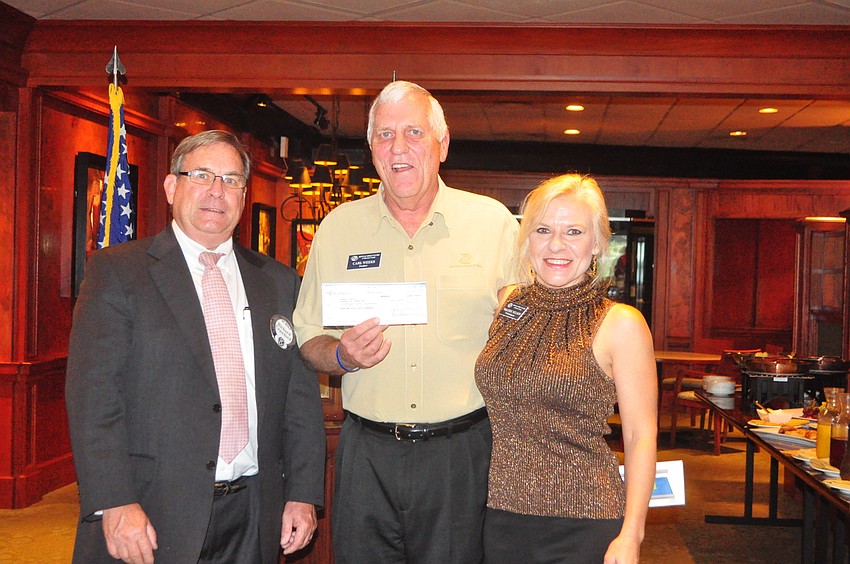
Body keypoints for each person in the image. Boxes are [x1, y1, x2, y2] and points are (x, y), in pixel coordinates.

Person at [66, 130, 326, 564]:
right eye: (202, 175)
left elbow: (298, 402)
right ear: (172, 187)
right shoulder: (120, 273)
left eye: (230, 180)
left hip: (253, 511)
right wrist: (114, 501)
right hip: (150, 511)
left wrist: (302, 494)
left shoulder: (278, 282)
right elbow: (93, 400)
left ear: (244, 194)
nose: (216, 191)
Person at [293, 80, 519, 563]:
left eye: (414, 132)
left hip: (461, 453)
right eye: (385, 134)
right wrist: (340, 355)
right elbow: (307, 336)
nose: (399, 148)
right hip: (365, 454)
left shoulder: (493, 224)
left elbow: (527, 330)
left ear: (443, 144)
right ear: (372, 147)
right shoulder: (338, 228)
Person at [475, 173, 657, 564]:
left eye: (573, 231)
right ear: (527, 241)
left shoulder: (620, 323)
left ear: (597, 244)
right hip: (501, 517)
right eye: (543, 229)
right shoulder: (509, 307)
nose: (556, 244)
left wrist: (632, 535)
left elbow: (641, 435)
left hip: (584, 523)